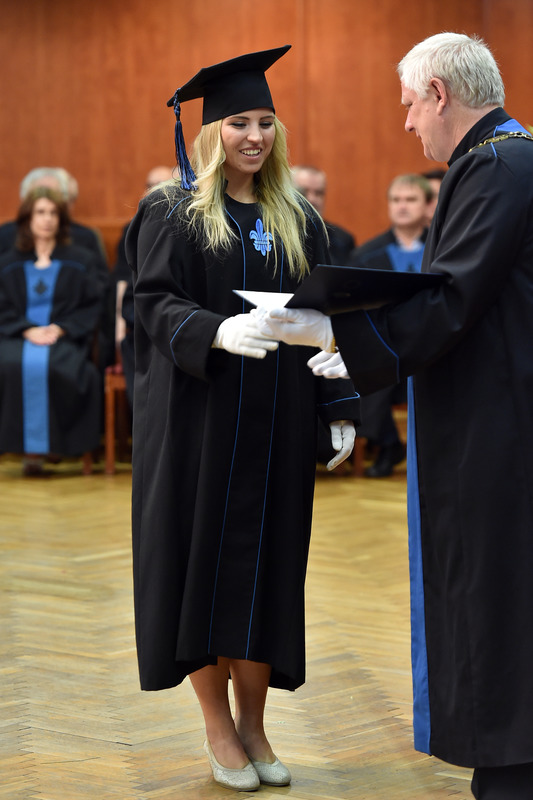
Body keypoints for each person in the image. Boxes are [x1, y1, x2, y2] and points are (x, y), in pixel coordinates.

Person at [255, 32, 533, 799]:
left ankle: (511, 767)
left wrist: (339, 334)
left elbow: (452, 296)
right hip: (496, 405)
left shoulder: (495, 166)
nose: (407, 123)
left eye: (410, 105)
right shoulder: (505, 160)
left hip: (496, 421)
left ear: (440, 94)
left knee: (492, 583)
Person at [124, 46, 359, 792]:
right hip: (200, 421)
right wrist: (214, 330)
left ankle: (254, 723)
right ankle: (217, 726)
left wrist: (339, 404)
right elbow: (151, 301)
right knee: (199, 568)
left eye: (264, 122)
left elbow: (328, 319)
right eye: (237, 123)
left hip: (279, 422)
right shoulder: (172, 211)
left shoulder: (300, 219)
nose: (253, 137)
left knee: (267, 569)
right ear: (209, 132)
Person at [0, 188, 102, 475]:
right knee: (9, 365)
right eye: (40, 212)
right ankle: (28, 450)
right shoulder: (7, 262)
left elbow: (92, 305)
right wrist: (26, 329)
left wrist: (60, 328)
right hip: (17, 336)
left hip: (64, 337)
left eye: (53, 213)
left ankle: (56, 445)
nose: (47, 219)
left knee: (68, 369)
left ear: (61, 219)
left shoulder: (81, 260)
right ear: (27, 219)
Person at [349, 174, 433, 477]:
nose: (402, 206)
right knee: (369, 365)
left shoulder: (444, 246)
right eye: (396, 200)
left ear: (428, 206)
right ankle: (387, 443)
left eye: (411, 199)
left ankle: (401, 447)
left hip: (433, 344)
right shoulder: (367, 255)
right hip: (386, 346)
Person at [112, 166, 175, 403]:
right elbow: (127, 295)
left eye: (165, 186)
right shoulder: (135, 231)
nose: (158, 192)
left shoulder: (194, 229)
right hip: (147, 326)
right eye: (152, 186)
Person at [291, 165, 356, 264]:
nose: (312, 199)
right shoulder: (275, 235)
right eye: (303, 192)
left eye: (319, 193)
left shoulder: (342, 240)